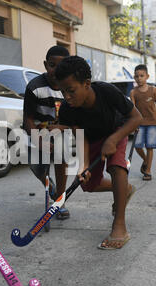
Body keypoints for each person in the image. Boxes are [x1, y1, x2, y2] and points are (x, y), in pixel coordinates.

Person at [55, 56, 142, 250]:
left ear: (86, 84)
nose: (67, 97)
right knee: (88, 185)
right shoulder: (68, 110)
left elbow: (137, 117)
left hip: (116, 130)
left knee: (116, 167)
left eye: (71, 91)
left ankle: (119, 226)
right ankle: (124, 189)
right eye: (63, 92)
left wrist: (113, 139)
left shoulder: (106, 91)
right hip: (92, 139)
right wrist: (84, 166)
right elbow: (81, 137)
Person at [23, 45, 70, 220]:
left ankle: (59, 200)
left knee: (61, 160)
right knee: (37, 168)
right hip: (37, 130)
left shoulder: (70, 88)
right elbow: (27, 119)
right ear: (45, 65)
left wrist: (62, 128)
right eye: (52, 65)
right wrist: (39, 141)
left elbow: (76, 120)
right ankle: (51, 187)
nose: (56, 70)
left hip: (60, 131)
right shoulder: (34, 87)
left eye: (62, 66)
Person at [130, 64, 156, 181]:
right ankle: (145, 160)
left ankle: (148, 171)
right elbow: (132, 110)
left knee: (150, 147)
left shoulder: (153, 90)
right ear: (134, 78)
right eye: (136, 76)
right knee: (137, 146)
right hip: (139, 123)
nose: (139, 78)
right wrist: (132, 124)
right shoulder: (133, 93)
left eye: (141, 76)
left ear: (147, 76)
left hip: (152, 123)